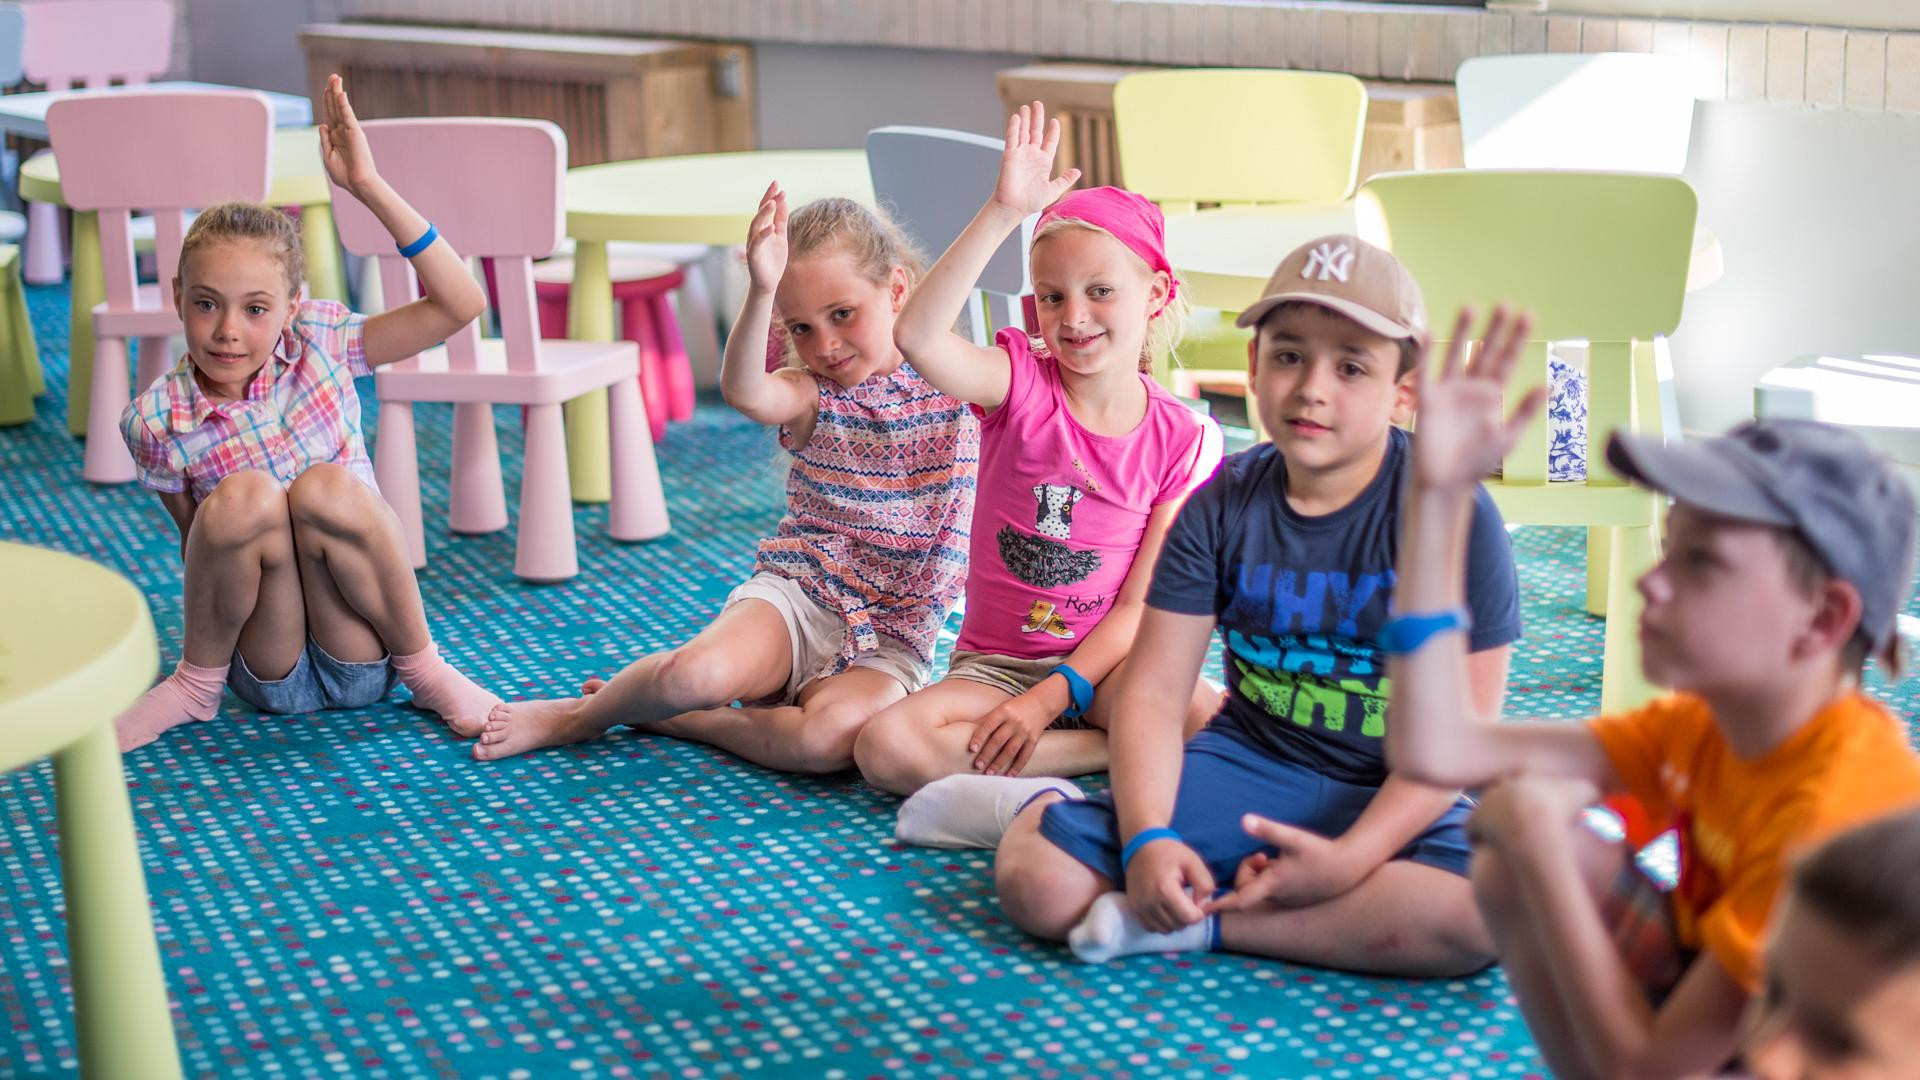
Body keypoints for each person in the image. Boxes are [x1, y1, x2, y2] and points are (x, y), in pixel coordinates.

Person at [1385, 305, 1920, 1076]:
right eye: (1670, 547)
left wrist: (1540, 850)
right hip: (1732, 1002)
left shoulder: (1832, 812)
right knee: (1511, 858)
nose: (1649, 582)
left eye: (1701, 564)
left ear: (1822, 618)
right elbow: (1438, 749)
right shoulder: (1706, 725)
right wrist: (1437, 501)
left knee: (1532, 850)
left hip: (1811, 1049)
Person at [475, 187, 978, 773]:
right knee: (694, 676)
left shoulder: (967, 387)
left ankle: (687, 722)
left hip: (894, 634)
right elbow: (745, 392)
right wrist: (762, 290)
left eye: (842, 314)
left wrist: (1003, 208)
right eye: (802, 328)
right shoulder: (811, 392)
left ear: (895, 291)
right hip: (802, 598)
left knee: (825, 744)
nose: (825, 344)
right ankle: (580, 717)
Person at [115, 74, 497, 752]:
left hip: (365, 651)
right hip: (267, 666)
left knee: (324, 487)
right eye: (206, 304)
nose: (227, 331)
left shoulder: (321, 339)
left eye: (256, 309)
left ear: (292, 307)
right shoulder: (154, 420)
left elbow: (459, 305)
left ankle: (428, 670)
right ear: (176, 297)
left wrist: (368, 186)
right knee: (242, 500)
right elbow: (199, 551)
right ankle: (193, 686)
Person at [854, 102, 1220, 799]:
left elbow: (1139, 608)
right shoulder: (1017, 383)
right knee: (885, 748)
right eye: (1052, 297)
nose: (1074, 317)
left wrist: (1051, 699)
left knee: (1210, 718)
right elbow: (918, 338)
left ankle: (1082, 740)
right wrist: (1003, 212)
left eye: (1101, 291)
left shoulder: (1185, 438)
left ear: (1155, 295)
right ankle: (1107, 752)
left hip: (1104, 667)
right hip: (995, 670)